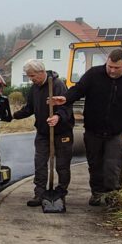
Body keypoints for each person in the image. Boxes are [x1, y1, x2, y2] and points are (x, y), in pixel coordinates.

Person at [50, 48, 122, 206]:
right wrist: (65, 98)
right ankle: (97, 192)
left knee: (114, 164)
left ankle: (113, 195)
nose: (112, 70)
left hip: (119, 130)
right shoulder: (94, 74)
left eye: (116, 68)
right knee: (95, 164)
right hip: (94, 129)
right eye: (109, 66)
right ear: (107, 61)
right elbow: (78, 90)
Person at [12, 59, 74, 207]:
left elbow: (67, 107)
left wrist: (58, 117)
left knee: (62, 165)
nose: (31, 79)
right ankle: (39, 194)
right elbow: (29, 108)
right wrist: (13, 116)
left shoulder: (57, 85)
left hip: (61, 132)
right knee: (40, 163)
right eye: (29, 76)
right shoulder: (34, 88)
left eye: (32, 76)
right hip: (43, 132)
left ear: (41, 72)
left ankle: (60, 193)